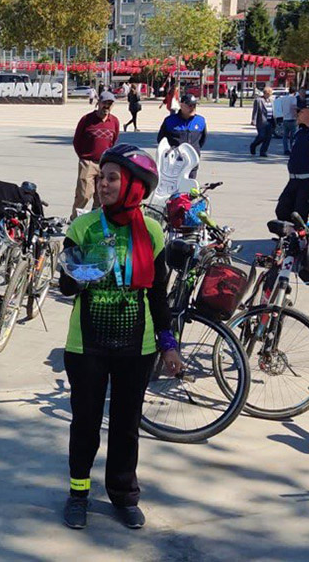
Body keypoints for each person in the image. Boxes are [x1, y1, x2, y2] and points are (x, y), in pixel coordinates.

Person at [58, 144, 182, 531]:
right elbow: (65, 286)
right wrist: (80, 269)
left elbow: (158, 294)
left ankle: (124, 495)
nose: (103, 185)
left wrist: (169, 344)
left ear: (134, 185)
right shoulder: (84, 227)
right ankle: (79, 493)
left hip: (137, 345)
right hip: (87, 344)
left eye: (112, 178)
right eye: (101, 177)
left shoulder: (154, 231)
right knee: (86, 424)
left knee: (127, 426)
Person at [276, 96, 309, 222]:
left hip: (308, 182)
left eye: (300, 111)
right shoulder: (300, 132)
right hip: (294, 180)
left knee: (298, 215)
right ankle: (291, 238)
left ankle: (303, 240)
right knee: (282, 210)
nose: (297, 114)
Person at [72, 92, 120, 220]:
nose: (107, 106)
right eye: (104, 103)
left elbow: (113, 141)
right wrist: (83, 156)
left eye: (110, 104)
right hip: (88, 162)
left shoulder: (114, 121)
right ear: (98, 103)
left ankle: (96, 221)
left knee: (102, 196)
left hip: (104, 164)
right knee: (84, 194)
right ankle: (75, 220)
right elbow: (77, 141)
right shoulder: (86, 120)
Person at [157, 94, 207, 177]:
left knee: (190, 187)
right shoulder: (170, 121)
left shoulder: (200, 121)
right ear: (181, 105)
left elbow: (202, 140)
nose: (192, 108)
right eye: (190, 105)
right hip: (174, 163)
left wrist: (195, 150)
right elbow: (161, 140)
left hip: (192, 162)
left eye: (194, 105)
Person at [250, 86, 276, 157]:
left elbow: (273, 111)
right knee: (261, 136)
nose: (269, 95)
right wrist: (253, 120)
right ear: (264, 93)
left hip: (270, 121)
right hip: (261, 121)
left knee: (268, 137)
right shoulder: (258, 100)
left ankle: (263, 151)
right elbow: (255, 111)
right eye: (267, 94)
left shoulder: (272, 101)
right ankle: (253, 145)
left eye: (270, 94)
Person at [274, 88, 297, 155]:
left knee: (285, 136)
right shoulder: (293, 98)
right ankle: (292, 149)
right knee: (292, 136)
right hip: (292, 119)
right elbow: (294, 107)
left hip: (285, 119)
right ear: (294, 92)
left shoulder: (283, 98)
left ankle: (285, 149)